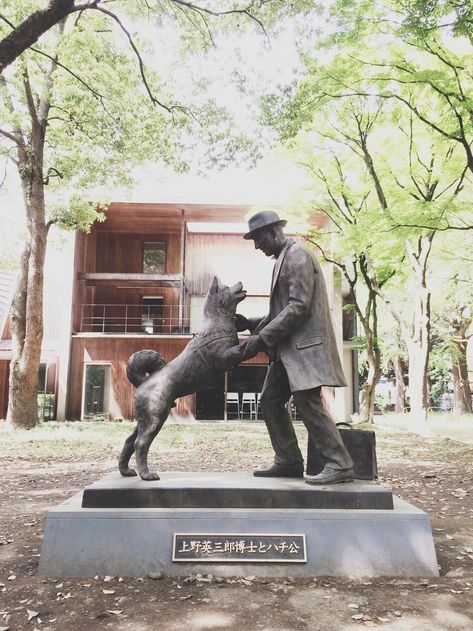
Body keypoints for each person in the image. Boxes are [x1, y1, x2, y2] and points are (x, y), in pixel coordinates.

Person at [237, 210, 354, 485]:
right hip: (288, 352)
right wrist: (251, 323)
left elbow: (298, 307)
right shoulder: (283, 260)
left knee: (308, 403)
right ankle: (289, 461)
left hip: (304, 349)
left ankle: (340, 463)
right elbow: (280, 310)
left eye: (259, 238)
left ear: (274, 232)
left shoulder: (298, 256)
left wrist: (262, 338)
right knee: (270, 401)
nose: (257, 245)